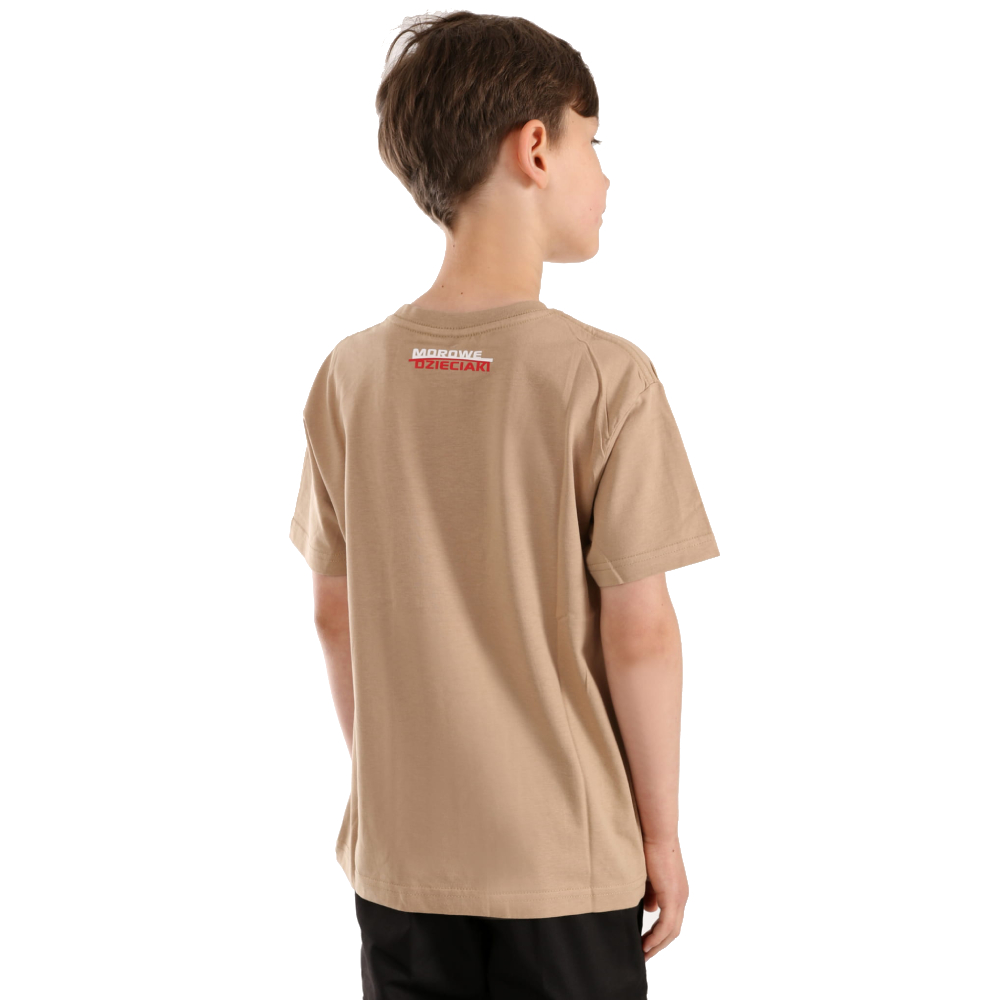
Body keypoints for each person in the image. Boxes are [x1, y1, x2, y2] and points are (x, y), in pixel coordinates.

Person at [288, 11, 720, 998]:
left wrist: (403, 794)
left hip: (401, 863)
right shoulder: (604, 378)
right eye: (592, 141)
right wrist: (659, 837)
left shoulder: (350, 376)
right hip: (563, 863)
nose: (604, 177)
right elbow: (642, 631)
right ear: (535, 148)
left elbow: (332, 614)